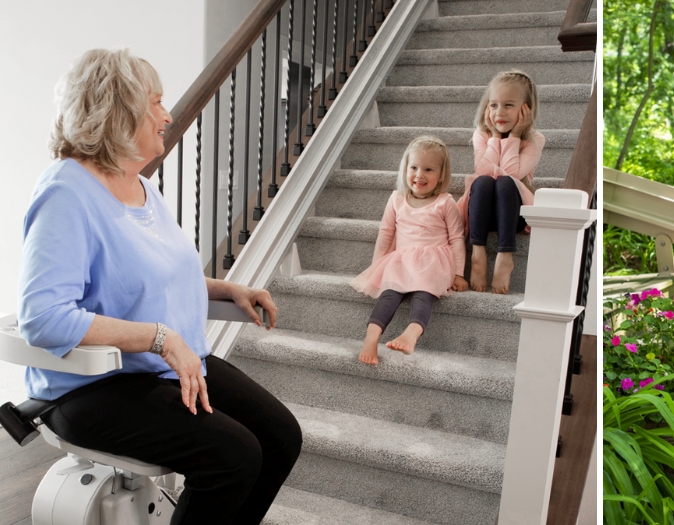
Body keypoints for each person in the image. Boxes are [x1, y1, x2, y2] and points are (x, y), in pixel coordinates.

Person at [18, 49, 301, 524]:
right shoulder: (65, 193)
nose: (168, 115)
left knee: (279, 437)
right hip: (89, 387)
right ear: (119, 110)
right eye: (156, 102)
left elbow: (154, 274)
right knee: (233, 455)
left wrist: (223, 289)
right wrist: (161, 338)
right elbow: (43, 317)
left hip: (153, 369)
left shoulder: (141, 186)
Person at [351, 136, 468, 365]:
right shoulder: (397, 199)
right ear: (405, 168)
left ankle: (411, 334)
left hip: (433, 261)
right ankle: (371, 338)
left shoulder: (445, 202)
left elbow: (457, 239)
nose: (419, 175)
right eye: (414, 167)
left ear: (441, 175)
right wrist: (378, 266)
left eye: (428, 169)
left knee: (424, 294)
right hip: (402, 261)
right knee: (389, 294)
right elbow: (385, 234)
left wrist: (459, 273)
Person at [457, 70, 545, 294]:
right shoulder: (482, 135)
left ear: (526, 109)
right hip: (481, 213)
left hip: (512, 215)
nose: (499, 112)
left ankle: (505, 256)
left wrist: (515, 135)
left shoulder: (535, 140)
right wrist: (495, 136)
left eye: (508, 105)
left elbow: (511, 173)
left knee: (505, 182)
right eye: (494, 105)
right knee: (484, 182)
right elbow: (483, 170)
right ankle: (478, 255)